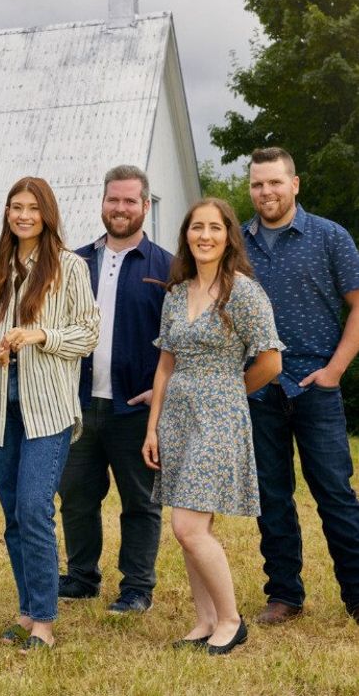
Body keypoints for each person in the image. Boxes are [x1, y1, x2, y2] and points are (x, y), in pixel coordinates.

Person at [143, 197, 283, 655]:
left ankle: (230, 621)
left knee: (188, 526)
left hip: (219, 416)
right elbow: (165, 364)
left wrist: (229, 393)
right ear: (186, 235)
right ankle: (204, 619)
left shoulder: (242, 292)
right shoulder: (176, 293)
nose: (205, 235)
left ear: (228, 237)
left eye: (215, 228)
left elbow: (272, 361)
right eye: (196, 227)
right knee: (190, 524)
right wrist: (152, 427)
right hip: (177, 418)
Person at [0, 176, 99, 651]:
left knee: (34, 508)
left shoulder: (70, 267)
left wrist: (42, 336)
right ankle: (25, 612)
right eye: (15, 207)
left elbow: (88, 334)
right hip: (0, 407)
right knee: (12, 515)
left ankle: (44, 621)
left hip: (48, 410)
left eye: (32, 208)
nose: (23, 215)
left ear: (47, 213)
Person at [241, 147, 359, 626]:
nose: (265, 192)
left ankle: (356, 593)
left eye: (274, 182)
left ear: (295, 184)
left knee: (334, 493)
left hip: (316, 386)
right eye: (257, 184)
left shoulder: (330, 237)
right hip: (260, 389)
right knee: (271, 496)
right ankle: (284, 594)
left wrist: (334, 372)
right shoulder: (238, 244)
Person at [58, 165, 171, 613]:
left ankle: (137, 588)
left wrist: (162, 396)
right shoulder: (75, 262)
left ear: (145, 205)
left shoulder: (168, 268)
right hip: (80, 404)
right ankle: (82, 577)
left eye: (129, 201)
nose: (120, 208)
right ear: (102, 203)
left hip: (135, 407)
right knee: (76, 496)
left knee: (140, 502)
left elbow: (179, 341)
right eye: (113, 200)